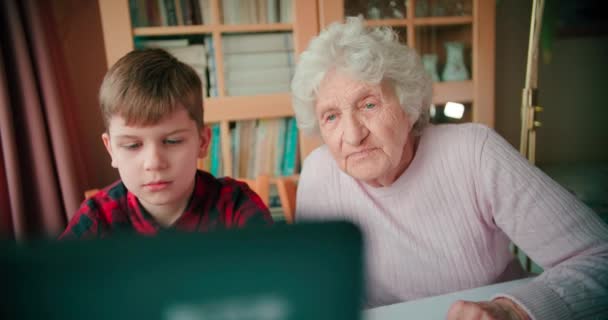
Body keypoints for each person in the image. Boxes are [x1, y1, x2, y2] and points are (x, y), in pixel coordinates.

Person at [291, 16, 608, 320]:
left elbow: (599, 258)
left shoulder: (473, 152)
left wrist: (514, 310)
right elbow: (316, 291)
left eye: (369, 104)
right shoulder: (320, 175)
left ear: (409, 107)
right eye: (331, 116)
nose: (353, 135)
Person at [60, 49, 273, 239]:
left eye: (172, 141)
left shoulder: (235, 206)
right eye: (133, 146)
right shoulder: (97, 218)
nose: (154, 163)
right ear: (111, 149)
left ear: (203, 141)